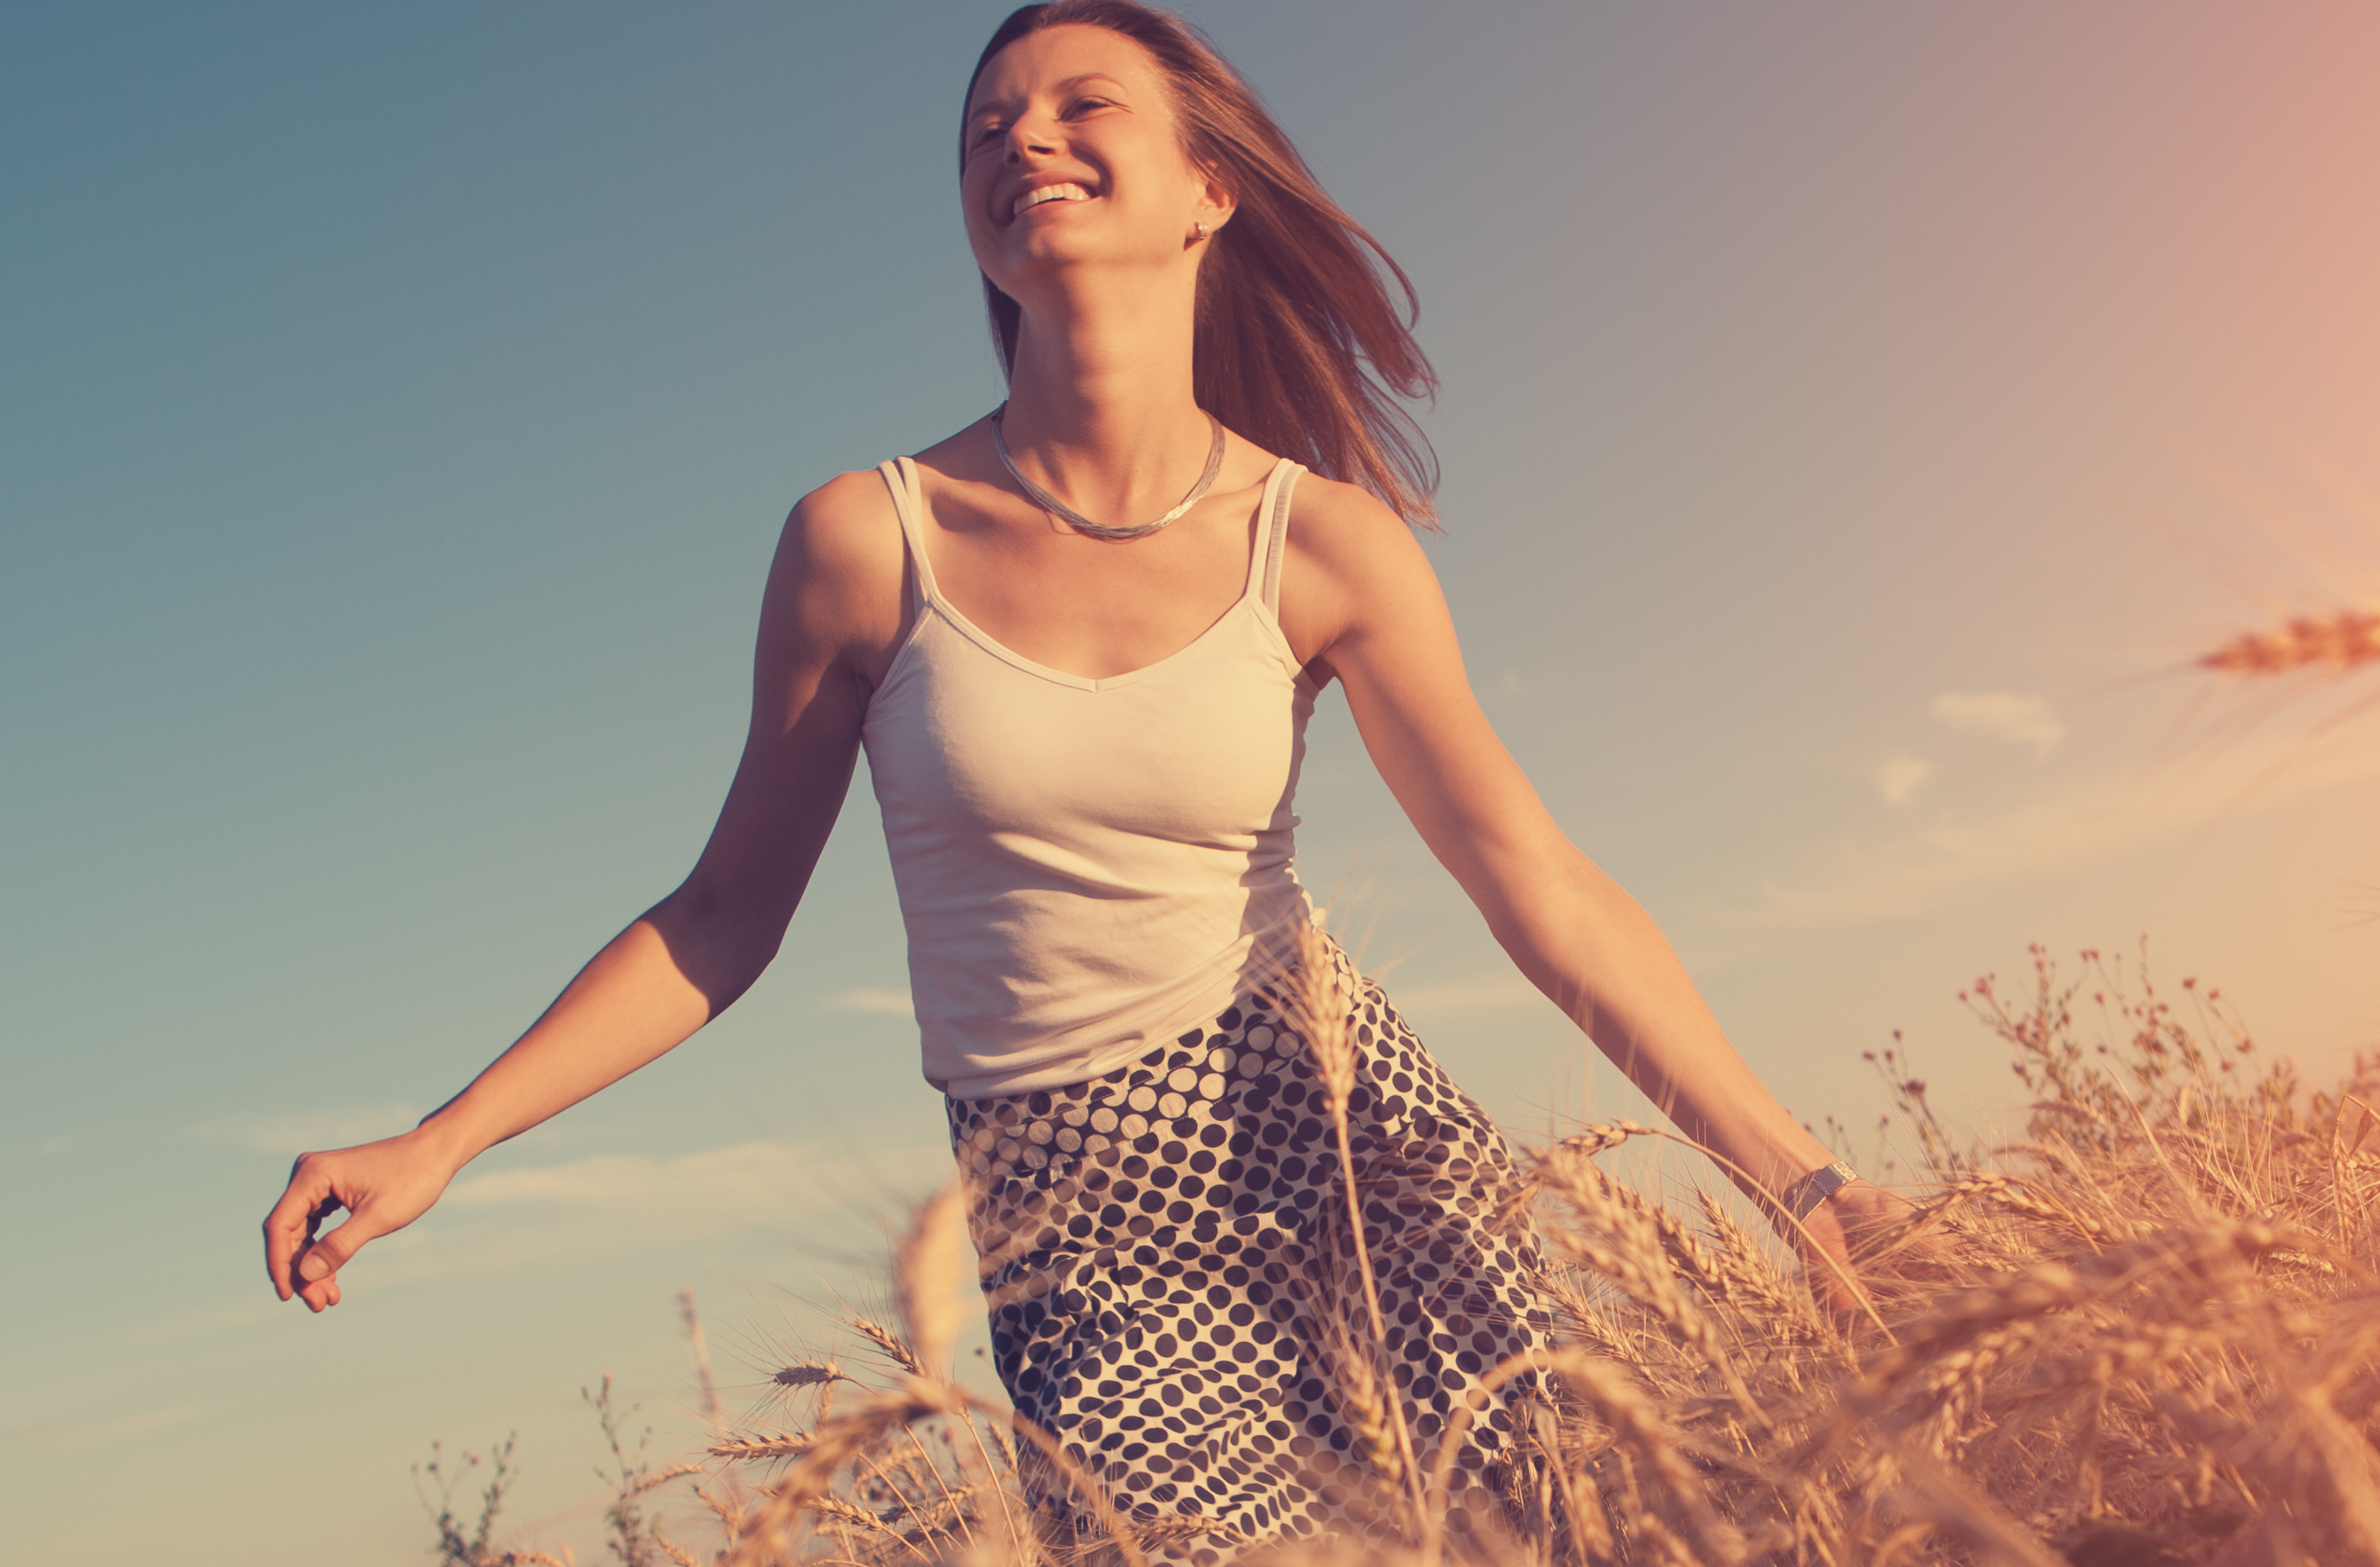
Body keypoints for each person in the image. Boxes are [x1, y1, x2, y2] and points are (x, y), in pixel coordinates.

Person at [257, 2, 1901, 1554]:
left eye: (1078, 103)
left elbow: (1533, 880)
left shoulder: (1322, 542)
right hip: (1074, 1226)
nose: (1019, 135)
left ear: (1206, 189)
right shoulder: (861, 542)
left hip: (1353, 1154)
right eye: (985, 124)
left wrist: (1804, 1183)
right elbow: (719, 920)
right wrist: (446, 1138)